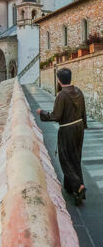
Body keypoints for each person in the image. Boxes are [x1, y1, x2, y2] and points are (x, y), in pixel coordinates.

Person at [37, 68, 87, 205]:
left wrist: (42, 112)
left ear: (59, 80)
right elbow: (83, 112)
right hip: (79, 127)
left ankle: (78, 185)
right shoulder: (79, 92)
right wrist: (84, 126)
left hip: (67, 129)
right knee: (75, 157)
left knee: (65, 158)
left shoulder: (61, 95)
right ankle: (70, 187)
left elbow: (56, 116)